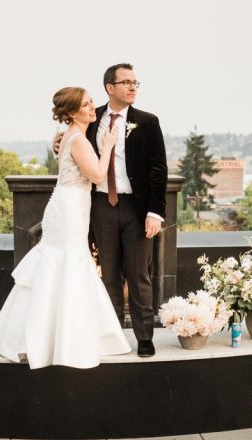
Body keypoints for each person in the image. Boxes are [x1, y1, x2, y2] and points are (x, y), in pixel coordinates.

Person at [0, 87, 132, 369]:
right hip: (69, 209)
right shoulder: (77, 139)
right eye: (87, 105)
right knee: (67, 262)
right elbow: (98, 174)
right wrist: (109, 144)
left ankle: (56, 335)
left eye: (92, 103)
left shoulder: (69, 136)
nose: (93, 108)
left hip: (71, 206)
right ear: (72, 112)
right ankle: (56, 340)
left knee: (63, 262)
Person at [56, 63, 167, 357]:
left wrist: (155, 212)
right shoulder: (92, 119)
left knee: (138, 274)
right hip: (101, 206)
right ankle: (113, 334)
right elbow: (71, 140)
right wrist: (57, 143)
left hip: (135, 208)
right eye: (126, 82)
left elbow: (159, 170)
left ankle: (144, 337)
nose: (132, 87)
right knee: (108, 276)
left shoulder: (148, 122)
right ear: (110, 88)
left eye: (135, 82)